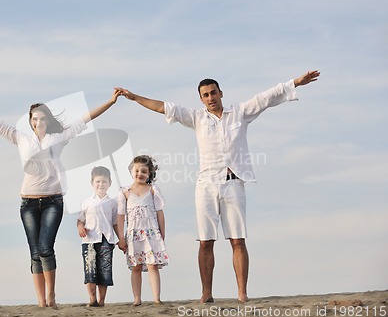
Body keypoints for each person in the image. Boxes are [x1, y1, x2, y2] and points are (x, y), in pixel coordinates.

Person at [116, 70, 320, 303]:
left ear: (220, 93)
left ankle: (242, 293)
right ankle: (207, 293)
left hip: (233, 183)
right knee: (205, 241)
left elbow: (266, 98)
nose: (210, 97)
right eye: (205, 95)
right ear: (201, 99)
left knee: (238, 239)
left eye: (213, 93)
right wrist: (134, 97)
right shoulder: (196, 118)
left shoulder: (239, 113)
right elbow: (164, 107)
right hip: (206, 185)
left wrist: (295, 83)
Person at [0, 89, 120, 309]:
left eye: (43, 118)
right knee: (34, 252)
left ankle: (51, 296)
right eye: (35, 118)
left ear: (47, 120)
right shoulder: (22, 139)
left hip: (53, 201)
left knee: (45, 248)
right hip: (28, 203)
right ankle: (41, 301)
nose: (39, 121)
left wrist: (110, 101)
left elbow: (86, 118)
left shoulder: (59, 137)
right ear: (31, 122)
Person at [116, 155, 169, 306]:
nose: (140, 174)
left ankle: (156, 298)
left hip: (151, 233)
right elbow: (120, 216)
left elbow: (160, 213)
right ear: (132, 170)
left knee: (152, 265)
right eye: (137, 170)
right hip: (134, 234)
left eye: (144, 171)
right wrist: (121, 237)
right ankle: (137, 299)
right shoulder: (124, 192)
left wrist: (162, 233)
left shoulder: (153, 190)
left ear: (150, 174)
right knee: (136, 266)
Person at [77, 166, 118, 307]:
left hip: (106, 240)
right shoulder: (87, 202)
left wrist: (121, 240)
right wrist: (81, 228)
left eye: (104, 181)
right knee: (90, 270)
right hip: (89, 240)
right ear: (92, 183)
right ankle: (92, 299)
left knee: (104, 270)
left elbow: (115, 223)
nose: (101, 184)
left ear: (110, 183)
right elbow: (80, 220)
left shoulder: (113, 203)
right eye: (98, 181)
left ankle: (101, 301)